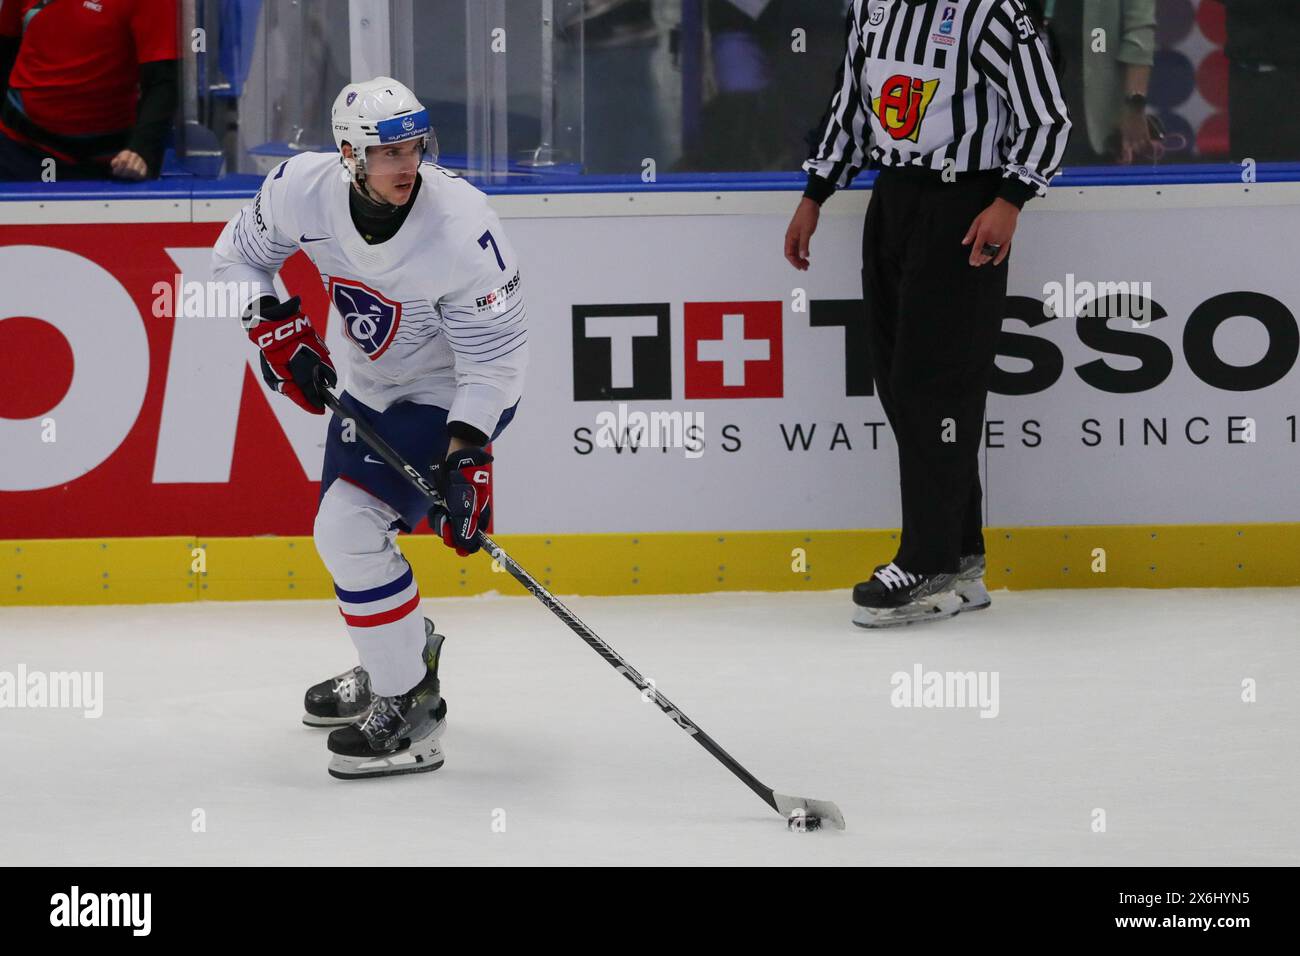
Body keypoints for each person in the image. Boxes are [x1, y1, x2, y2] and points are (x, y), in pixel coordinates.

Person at [212, 77, 529, 778]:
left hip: (450, 397)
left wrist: (467, 455)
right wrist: (272, 322)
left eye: (415, 147)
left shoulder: (462, 226)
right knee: (348, 538)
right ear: (349, 155)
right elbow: (235, 258)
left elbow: (497, 361)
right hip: (367, 386)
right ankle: (393, 653)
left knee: (346, 528)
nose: (407, 164)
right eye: (389, 153)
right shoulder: (300, 188)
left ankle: (411, 706)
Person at [785, 0, 1070, 628]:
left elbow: (1047, 116)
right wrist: (817, 192)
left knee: (934, 383)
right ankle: (961, 554)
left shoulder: (991, 11)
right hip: (893, 199)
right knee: (897, 380)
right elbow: (852, 105)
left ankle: (927, 559)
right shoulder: (870, 6)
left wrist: (1011, 199)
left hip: (964, 206)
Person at [0, 0, 177, 180]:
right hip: (17, 146)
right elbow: (6, 47)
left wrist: (141, 150)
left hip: (106, 161)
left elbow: (162, 82)